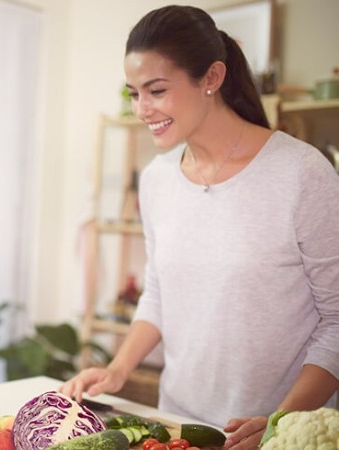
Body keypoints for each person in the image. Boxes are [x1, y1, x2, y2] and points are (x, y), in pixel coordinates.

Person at [59, 5, 339, 450]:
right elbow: (159, 291)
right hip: (178, 429)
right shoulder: (156, 178)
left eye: (156, 90)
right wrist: (118, 369)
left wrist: (280, 423)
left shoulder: (302, 173)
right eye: (133, 93)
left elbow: (337, 321)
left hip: (269, 435)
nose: (141, 109)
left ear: (211, 78)